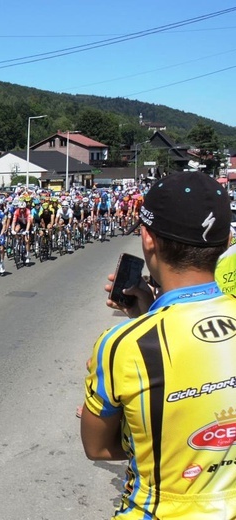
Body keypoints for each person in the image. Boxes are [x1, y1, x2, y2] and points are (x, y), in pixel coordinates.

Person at [81, 173, 236, 518]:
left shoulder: (123, 344)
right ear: (226, 242)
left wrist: (144, 323)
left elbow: (97, 447)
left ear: (148, 239)